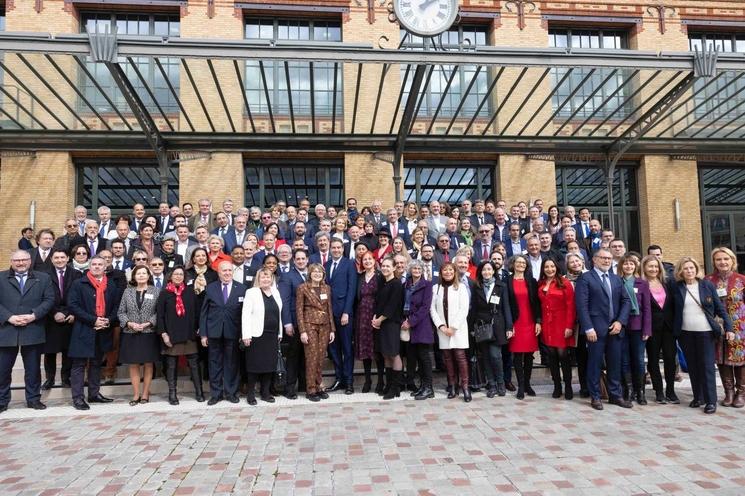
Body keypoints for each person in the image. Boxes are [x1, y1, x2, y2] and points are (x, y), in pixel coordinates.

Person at [673, 256, 733, 414]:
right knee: (692, 366)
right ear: (681, 271)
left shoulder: (707, 285)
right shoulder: (677, 287)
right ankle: (698, 397)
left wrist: (729, 328)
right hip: (685, 333)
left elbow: (720, 309)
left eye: (691, 268)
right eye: (685, 268)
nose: (689, 271)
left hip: (705, 332)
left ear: (696, 269)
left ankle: (710, 401)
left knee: (706, 366)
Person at [575, 248, 632, 411]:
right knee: (595, 363)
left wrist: (620, 322)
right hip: (595, 330)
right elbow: (582, 306)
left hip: (615, 329)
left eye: (609, 258)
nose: (607, 261)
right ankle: (596, 396)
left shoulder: (616, 279)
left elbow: (626, 301)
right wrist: (588, 328)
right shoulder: (585, 278)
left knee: (615, 363)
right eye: (603, 258)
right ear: (594, 260)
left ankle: (615, 395)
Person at [0, 250, 55, 412]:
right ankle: (2, 400)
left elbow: (49, 299)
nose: (21, 263)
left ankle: (33, 399)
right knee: (3, 369)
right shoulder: (1, 277)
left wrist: (33, 316)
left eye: (24, 260)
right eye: (17, 260)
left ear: (30, 261)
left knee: (33, 369)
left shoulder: (43, 278)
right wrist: (8, 317)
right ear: (11, 261)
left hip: (33, 328)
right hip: (6, 329)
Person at [67, 255, 119, 410]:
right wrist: (93, 320)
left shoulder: (111, 285)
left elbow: (117, 306)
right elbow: (73, 305)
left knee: (96, 363)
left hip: (103, 329)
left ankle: (94, 394)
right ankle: (78, 398)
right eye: (94, 264)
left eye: (100, 264)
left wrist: (108, 320)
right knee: (79, 364)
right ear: (89, 267)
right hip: (83, 328)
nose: (97, 266)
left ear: (105, 267)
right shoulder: (79, 283)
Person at [199, 261, 247, 405]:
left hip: (233, 332)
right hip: (214, 332)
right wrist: (203, 334)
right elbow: (204, 313)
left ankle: (231, 392)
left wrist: (243, 334)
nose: (227, 273)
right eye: (223, 271)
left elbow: (245, 314)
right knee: (215, 364)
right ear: (218, 273)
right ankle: (216, 394)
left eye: (229, 270)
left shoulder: (242, 288)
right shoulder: (210, 288)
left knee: (232, 364)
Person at [156, 266, 204, 404]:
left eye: (181, 274)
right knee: (171, 366)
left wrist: (198, 328)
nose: (178, 276)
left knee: (194, 364)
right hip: (171, 335)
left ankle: (199, 392)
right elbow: (160, 316)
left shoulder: (190, 292)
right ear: (170, 276)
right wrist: (164, 334)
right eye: (176, 274)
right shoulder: (164, 293)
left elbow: (197, 312)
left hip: (189, 334)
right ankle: (172, 394)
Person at [705, 247, 745, 408]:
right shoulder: (708, 280)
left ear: (732, 260)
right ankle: (728, 392)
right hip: (717, 327)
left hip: (740, 327)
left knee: (740, 359)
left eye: (726, 259)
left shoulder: (741, 279)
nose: (722, 262)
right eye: (718, 259)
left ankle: (741, 393)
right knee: (721, 359)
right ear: (714, 262)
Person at [117, 265, 161, 406]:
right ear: (134, 277)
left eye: (144, 273)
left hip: (149, 332)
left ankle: (145, 394)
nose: (141, 276)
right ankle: (136, 394)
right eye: (138, 273)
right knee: (133, 364)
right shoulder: (127, 292)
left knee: (148, 364)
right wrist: (129, 323)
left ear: (149, 276)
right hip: (131, 333)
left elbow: (159, 312)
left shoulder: (156, 291)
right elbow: (121, 312)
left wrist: (149, 323)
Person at [471, 260, 513, 398]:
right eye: (484, 270)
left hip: (498, 325)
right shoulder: (476, 286)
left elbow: (506, 307)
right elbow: (474, 309)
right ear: (480, 272)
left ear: (494, 271)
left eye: (489, 269)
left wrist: (509, 326)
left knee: (496, 355)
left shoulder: (501, 286)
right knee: (486, 357)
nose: (487, 272)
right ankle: (492, 385)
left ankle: (501, 383)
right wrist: (473, 327)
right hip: (482, 326)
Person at [241, 267, 283, 405]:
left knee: (269, 365)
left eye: (268, 277)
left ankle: (265, 393)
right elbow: (245, 315)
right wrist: (246, 335)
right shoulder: (251, 292)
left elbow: (279, 314)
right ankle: (251, 394)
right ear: (258, 279)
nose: (266, 279)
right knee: (254, 366)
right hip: (256, 334)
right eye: (263, 277)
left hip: (272, 335)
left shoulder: (276, 292)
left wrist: (280, 332)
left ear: (272, 279)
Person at [430, 262, 471, 402]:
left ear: (454, 272)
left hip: (458, 329)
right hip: (443, 330)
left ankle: (465, 387)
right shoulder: (436, 288)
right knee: (447, 358)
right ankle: (452, 386)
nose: (448, 272)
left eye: (450, 270)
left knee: (460, 357)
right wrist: (441, 326)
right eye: (445, 270)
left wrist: (453, 327)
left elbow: (464, 309)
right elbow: (432, 309)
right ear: (441, 273)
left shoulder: (461, 288)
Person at [295, 263, 336, 402]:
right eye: (314, 272)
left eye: (320, 272)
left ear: (323, 274)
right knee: (311, 357)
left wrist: (332, 329)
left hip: (324, 326)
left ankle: (319, 386)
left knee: (320, 357)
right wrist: (302, 331)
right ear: (310, 273)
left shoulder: (326, 288)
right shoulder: (303, 288)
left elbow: (329, 308)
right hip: (309, 325)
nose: (317, 274)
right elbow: (299, 311)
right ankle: (311, 389)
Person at [41, 248, 81, 390]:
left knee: (68, 351)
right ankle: (49, 379)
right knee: (50, 351)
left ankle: (66, 378)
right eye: (56, 258)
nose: (59, 260)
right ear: (51, 259)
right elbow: (43, 297)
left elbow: (78, 296)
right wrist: (54, 313)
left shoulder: (76, 274)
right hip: (51, 318)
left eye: (62, 257)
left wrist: (73, 313)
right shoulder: (44, 275)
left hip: (70, 317)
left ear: (68, 258)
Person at [641, 254, 678, 404]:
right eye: (650, 266)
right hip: (652, 328)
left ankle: (670, 390)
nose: (654, 269)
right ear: (644, 267)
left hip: (668, 327)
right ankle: (659, 391)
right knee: (653, 360)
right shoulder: (641, 284)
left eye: (656, 266)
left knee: (670, 358)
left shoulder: (667, 283)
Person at [537, 258, 576, 400]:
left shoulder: (564, 283)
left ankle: (568, 386)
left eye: (552, 266)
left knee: (563, 356)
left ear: (556, 267)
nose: (549, 269)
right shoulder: (540, 283)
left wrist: (569, 326)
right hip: (547, 324)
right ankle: (557, 386)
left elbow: (571, 306)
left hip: (561, 323)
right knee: (551, 356)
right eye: (546, 267)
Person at [618, 254, 652, 405]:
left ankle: (641, 392)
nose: (629, 267)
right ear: (621, 266)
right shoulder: (616, 281)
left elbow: (646, 308)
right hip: (622, 326)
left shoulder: (642, 283)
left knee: (638, 360)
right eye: (626, 264)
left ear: (636, 266)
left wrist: (647, 329)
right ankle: (629, 390)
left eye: (631, 264)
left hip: (638, 326)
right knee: (624, 360)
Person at [507, 254, 543, 400]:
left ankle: (528, 384)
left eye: (523, 262)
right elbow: (507, 305)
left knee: (529, 355)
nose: (521, 264)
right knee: (517, 355)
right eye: (518, 262)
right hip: (516, 322)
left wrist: (538, 321)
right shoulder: (507, 281)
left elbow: (537, 303)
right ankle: (521, 386)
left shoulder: (532, 281)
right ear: (513, 264)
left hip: (530, 322)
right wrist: (510, 325)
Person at [372, 257, 406, 400]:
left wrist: (379, 320)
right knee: (386, 354)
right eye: (383, 266)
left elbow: (392, 306)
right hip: (381, 323)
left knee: (393, 354)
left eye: (388, 266)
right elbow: (379, 303)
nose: (385, 268)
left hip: (391, 323)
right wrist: (375, 317)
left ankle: (395, 387)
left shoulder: (397, 284)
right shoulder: (382, 283)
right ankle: (389, 384)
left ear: (393, 268)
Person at [402, 260, 434, 400]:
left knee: (424, 358)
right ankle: (422, 387)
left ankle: (429, 388)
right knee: (415, 358)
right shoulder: (406, 285)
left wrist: (411, 321)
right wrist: (405, 321)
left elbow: (425, 307)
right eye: (414, 268)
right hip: (408, 325)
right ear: (410, 270)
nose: (416, 270)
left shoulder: (427, 285)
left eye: (419, 268)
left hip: (421, 325)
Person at [355, 251, 385, 393]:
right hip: (362, 316)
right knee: (365, 349)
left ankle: (380, 380)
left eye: (369, 259)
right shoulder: (359, 277)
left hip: (375, 315)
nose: (367, 261)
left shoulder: (380, 276)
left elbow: (383, 297)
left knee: (377, 349)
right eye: (364, 259)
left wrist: (379, 316)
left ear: (374, 261)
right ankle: (367, 380)